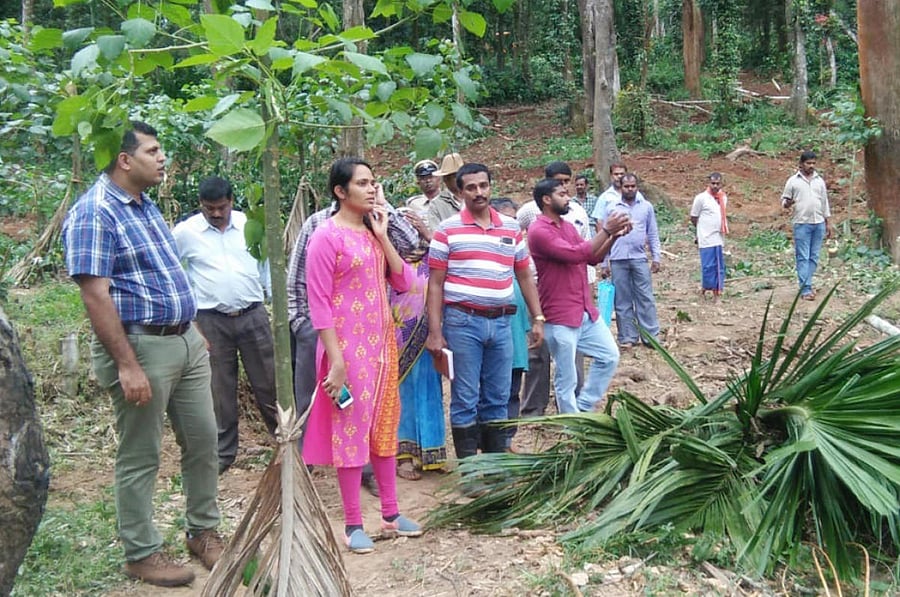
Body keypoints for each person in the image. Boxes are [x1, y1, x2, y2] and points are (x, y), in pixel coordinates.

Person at [62, 121, 223, 587]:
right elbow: (95, 294)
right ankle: (141, 551)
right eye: (153, 151)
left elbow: (165, 273)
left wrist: (190, 327)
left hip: (183, 341)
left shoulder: (144, 205)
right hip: (141, 346)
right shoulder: (96, 212)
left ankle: (203, 530)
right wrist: (127, 364)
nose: (162, 158)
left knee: (204, 439)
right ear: (125, 159)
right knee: (141, 453)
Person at [303, 157, 423, 554]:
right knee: (350, 432)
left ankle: (391, 513)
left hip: (383, 348)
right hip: (347, 352)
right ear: (340, 191)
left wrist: (384, 233)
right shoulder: (326, 237)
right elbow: (318, 304)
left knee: (384, 427)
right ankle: (353, 524)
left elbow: (404, 282)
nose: (372, 189)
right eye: (363, 183)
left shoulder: (373, 233)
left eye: (374, 182)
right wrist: (335, 361)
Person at [425, 163, 544, 460]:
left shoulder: (510, 227)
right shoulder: (447, 230)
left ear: (491, 186)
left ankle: (493, 468)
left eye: (483, 186)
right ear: (460, 191)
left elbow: (525, 275)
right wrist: (435, 332)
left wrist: (537, 317)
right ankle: (470, 471)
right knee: (465, 397)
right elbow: (435, 284)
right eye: (471, 187)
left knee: (498, 397)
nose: (479, 192)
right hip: (463, 322)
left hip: (502, 323)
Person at [173, 176, 277, 475]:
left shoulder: (249, 225)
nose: (216, 213)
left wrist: (269, 301)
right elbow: (172, 269)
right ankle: (223, 453)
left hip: (253, 315)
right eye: (209, 208)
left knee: (269, 383)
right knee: (219, 388)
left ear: (231, 202)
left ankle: (285, 443)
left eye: (221, 207)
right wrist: (189, 317)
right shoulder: (185, 232)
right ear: (200, 206)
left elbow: (265, 264)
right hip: (210, 320)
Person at [527, 178, 630, 413]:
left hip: (584, 310)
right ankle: (572, 426)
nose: (568, 198)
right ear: (546, 199)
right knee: (567, 378)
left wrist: (614, 237)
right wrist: (606, 230)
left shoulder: (567, 227)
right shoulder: (539, 231)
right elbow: (575, 254)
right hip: (560, 313)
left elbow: (591, 257)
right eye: (562, 194)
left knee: (609, 356)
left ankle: (583, 407)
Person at [516, 161, 591, 418]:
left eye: (568, 181)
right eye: (560, 182)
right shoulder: (529, 212)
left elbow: (586, 247)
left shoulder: (577, 211)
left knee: (573, 351)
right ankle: (533, 410)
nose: (566, 186)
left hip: (572, 287)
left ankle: (572, 407)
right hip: (537, 284)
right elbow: (518, 243)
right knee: (538, 352)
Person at [393, 165, 447, 481]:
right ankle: (404, 454)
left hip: (429, 332)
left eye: (415, 223)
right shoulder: (391, 258)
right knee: (402, 393)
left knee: (429, 390)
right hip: (396, 335)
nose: (410, 229)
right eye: (406, 222)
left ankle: (432, 453)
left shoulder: (433, 257)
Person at [601, 173, 662, 348]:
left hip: (639, 258)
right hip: (618, 259)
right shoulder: (612, 207)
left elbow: (652, 233)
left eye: (633, 186)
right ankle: (627, 336)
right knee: (622, 299)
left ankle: (651, 336)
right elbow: (606, 234)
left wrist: (656, 257)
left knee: (645, 297)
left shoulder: (646, 207)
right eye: (627, 186)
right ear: (621, 187)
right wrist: (604, 262)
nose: (630, 189)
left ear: (637, 187)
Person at [489, 197, 531, 449]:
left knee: (513, 390)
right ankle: (491, 441)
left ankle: (506, 439)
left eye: (514, 220)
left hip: (516, 335)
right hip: (494, 335)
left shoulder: (519, 256)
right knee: (494, 392)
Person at [781, 151, 832, 301]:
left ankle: (807, 283)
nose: (811, 166)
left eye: (813, 163)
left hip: (819, 223)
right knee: (803, 256)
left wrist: (828, 222)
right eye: (808, 163)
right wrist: (788, 203)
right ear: (801, 164)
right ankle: (806, 289)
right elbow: (784, 202)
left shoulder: (819, 181)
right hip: (802, 223)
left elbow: (824, 203)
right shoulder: (793, 181)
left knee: (814, 256)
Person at [690, 173, 729, 299]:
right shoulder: (701, 198)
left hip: (718, 237)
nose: (715, 186)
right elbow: (694, 217)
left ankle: (716, 293)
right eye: (713, 183)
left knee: (718, 266)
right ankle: (705, 288)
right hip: (705, 237)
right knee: (707, 266)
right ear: (708, 183)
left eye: (718, 184)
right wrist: (700, 230)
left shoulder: (723, 198)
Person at [424, 152, 464, 231]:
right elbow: (436, 233)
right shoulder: (437, 204)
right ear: (445, 179)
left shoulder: (474, 197)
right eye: (454, 176)